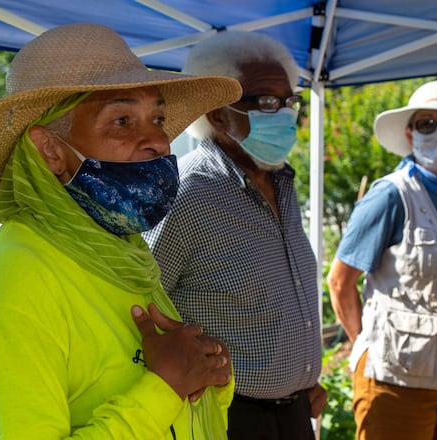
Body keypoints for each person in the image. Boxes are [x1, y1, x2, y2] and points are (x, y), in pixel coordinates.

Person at [0, 23, 244, 439]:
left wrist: (208, 378)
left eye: (157, 117)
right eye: (121, 120)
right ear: (50, 152)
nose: (158, 141)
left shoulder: (120, 254)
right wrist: (165, 387)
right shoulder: (13, 280)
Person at [142, 31, 327, 440]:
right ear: (218, 115)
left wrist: (304, 374)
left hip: (295, 411)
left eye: (288, 101)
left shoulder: (282, 183)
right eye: (264, 102)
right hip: (226, 418)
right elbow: (141, 304)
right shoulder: (187, 193)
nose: (282, 113)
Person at [326, 80, 437, 440]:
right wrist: (369, 345)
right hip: (397, 374)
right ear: (410, 133)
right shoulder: (390, 195)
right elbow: (340, 281)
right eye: (427, 123)